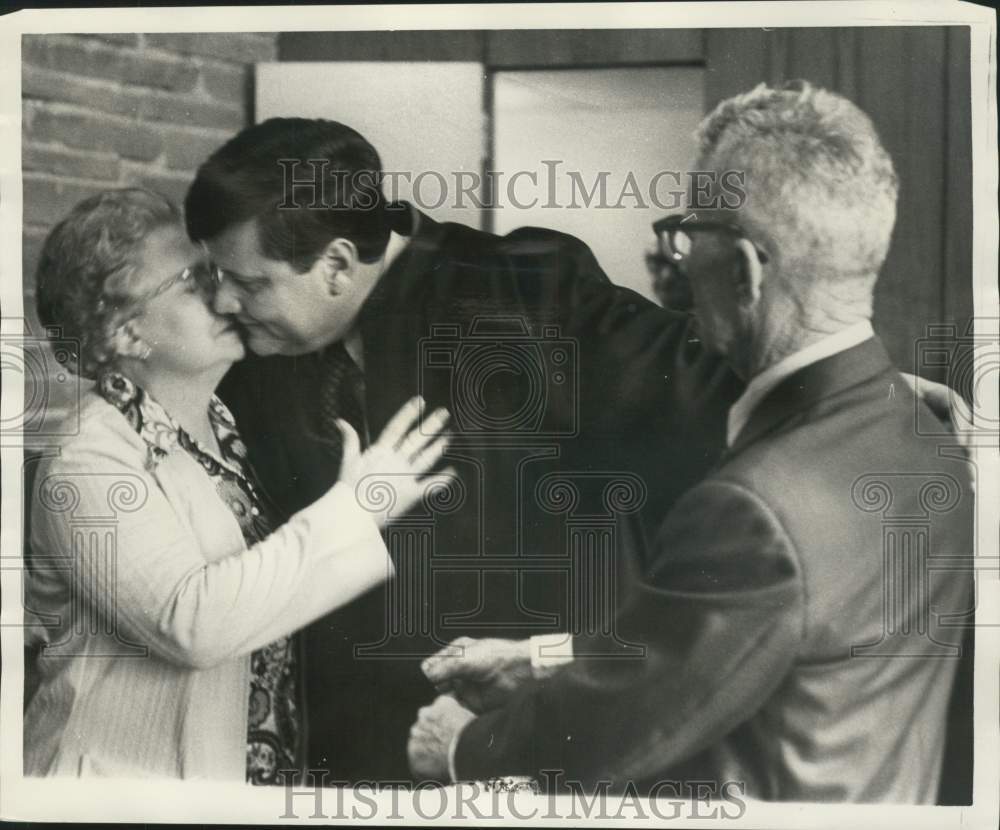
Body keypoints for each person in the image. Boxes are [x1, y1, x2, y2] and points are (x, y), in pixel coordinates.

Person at [185, 115, 967, 784]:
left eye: (246, 283)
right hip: (344, 749)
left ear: (334, 267)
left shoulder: (520, 289)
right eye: (215, 278)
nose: (224, 301)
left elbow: (689, 375)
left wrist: (868, 390)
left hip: (523, 739)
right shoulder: (253, 355)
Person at [409, 82, 974, 803]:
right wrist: (539, 658)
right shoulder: (924, 432)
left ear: (743, 269)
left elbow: (628, 724)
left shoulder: (756, 506)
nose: (674, 260)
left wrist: (461, 746)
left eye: (686, 232)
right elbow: (720, 644)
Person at [23, 188, 453, 782]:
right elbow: (191, 621)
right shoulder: (87, 461)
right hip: (116, 797)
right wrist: (355, 509)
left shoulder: (229, 427)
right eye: (192, 280)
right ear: (125, 333)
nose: (224, 293)